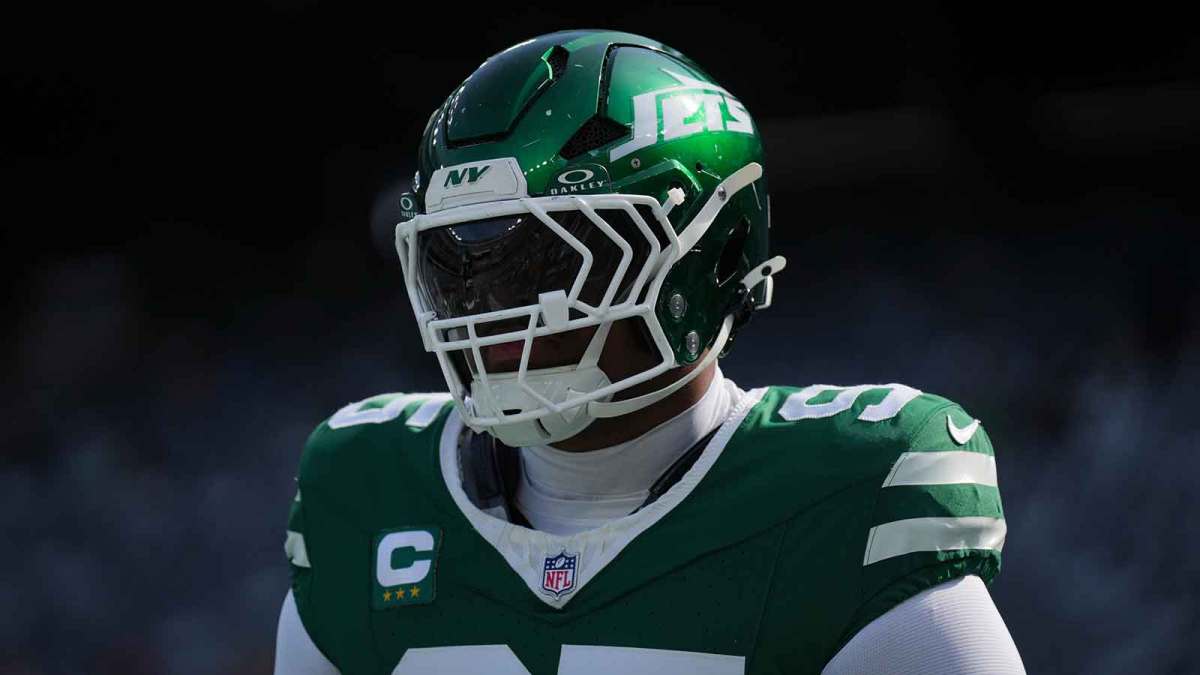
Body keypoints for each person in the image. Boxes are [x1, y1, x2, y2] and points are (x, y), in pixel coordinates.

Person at [274, 29, 1025, 674]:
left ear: (708, 254)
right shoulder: (364, 493)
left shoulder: (844, 499)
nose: (491, 313)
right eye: (460, 266)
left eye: (547, 264)